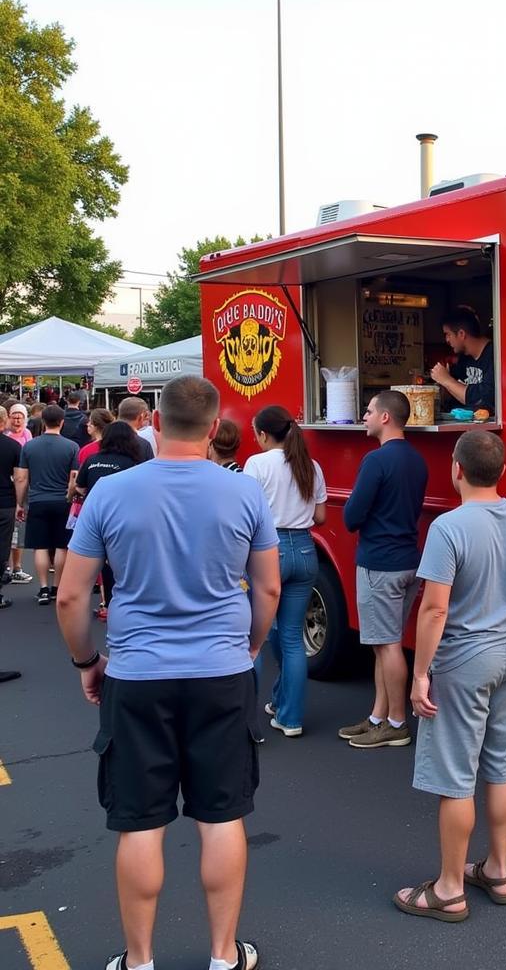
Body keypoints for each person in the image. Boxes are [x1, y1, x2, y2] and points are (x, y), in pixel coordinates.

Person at [56, 374, 281, 970]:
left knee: (140, 824)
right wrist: (251, 647)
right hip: (222, 672)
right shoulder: (244, 494)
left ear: (156, 424)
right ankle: (224, 956)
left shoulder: (111, 492)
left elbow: (71, 599)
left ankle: (139, 960)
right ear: (213, 429)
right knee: (222, 816)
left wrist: (88, 662)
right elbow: (268, 587)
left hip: (137, 673)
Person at [394, 430, 506, 922]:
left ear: (456, 469)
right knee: (502, 765)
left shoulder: (448, 527)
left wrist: (419, 674)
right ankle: (497, 869)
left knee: (457, 778)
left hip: (465, 658)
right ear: (502, 472)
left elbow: (434, 609)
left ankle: (449, 889)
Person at [339, 390, 428, 749]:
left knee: (388, 645)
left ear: (386, 418)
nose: (364, 416)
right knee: (383, 644)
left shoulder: (376, 461)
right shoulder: (417, 460)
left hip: (380, 563)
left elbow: (351, 517)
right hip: (409, 560)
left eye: (369, 410)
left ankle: (396, 722)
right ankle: (377, 716)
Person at [244, 406, 327, 738]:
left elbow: (246, 513)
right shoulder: (311, 465)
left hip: (268, 551)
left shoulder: (256, 464)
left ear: (264, 435)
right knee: (292, 636)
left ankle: (246, 719)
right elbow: (320, 517)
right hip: (306, 550)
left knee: (255, 637)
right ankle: (289, 716)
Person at [76, 422, 145, 618]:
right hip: (126, 517)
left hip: (95, 517)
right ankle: (127, 602)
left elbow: (79, 488)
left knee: (101, 562)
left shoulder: (92, 459)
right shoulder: (133, 462)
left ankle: (106, 604)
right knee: (125, 561)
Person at [14, 404, 79, 605]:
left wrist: (20, 503)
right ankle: (57, 587)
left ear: (42, 422)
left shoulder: (29, 446)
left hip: (38, 500)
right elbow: (73, 478)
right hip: (62, 501)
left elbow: (22, 478)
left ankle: (42, 588)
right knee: (61, 546)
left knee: (40, 546)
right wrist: (69, 497)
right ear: (62, 422)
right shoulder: (71, 446)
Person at [429, 306, 496, 416]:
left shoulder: (494, 355)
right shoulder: (464, 358)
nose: (447, 340)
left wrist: (446, 380)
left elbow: (481, 398)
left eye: (448, 334)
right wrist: (442, 383)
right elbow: (454, 396)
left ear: (461, 334)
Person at [3, 403, 32, 585]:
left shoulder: (28, 436)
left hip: (21, 488)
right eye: (14, 415)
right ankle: (5, 566)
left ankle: (17, 567)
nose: (17, 419)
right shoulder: (6, 438)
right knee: (6, 531)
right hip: (8, 487)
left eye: (20, 416)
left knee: (17, 530)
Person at [0, 406, 21, 612]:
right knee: (2, 545)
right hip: (4, 501)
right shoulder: (13, 446)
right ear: (4, 421)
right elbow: (20, 478)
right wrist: (20, 502)